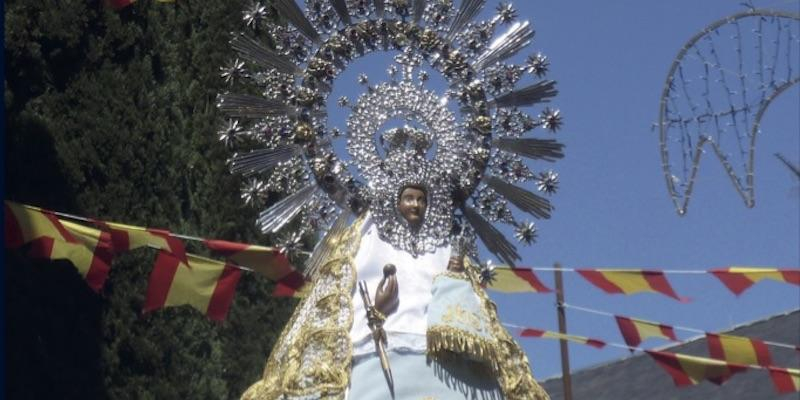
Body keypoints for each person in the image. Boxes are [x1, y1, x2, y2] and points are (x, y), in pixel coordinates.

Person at [241, 182, 550, 400]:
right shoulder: (368, 238)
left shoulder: (444, 244)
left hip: (453, 366)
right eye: (409, 198)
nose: (415, 205)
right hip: (374, 354)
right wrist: (375, 312)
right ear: (394, 200)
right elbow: (353, 284)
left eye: (421, 200)